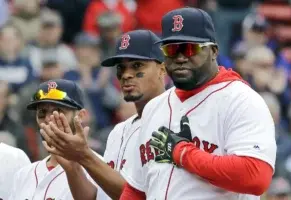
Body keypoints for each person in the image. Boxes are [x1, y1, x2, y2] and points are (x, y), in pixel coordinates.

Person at [120, 7, 276, 199]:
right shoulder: (154, 107)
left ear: (213, 51)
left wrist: (183, 153)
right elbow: (136, 188)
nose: (179, 57)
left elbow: (255, 176)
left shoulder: (241, 100)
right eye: (171, 49)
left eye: (189, 48)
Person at [39, 29, 166, 200]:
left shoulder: (175, 120)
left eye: (137, 65)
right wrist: (74, 168)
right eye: (121, 67)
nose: (126, 74)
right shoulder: (118, 132)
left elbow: (144, 196)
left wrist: (85, 155)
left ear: (162, 69)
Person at [8, 79, 106, 200]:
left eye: (58, 111)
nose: (49, 118)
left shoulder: (101, 169)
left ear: (80, 116)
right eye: (42, 112)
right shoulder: (23, 175)